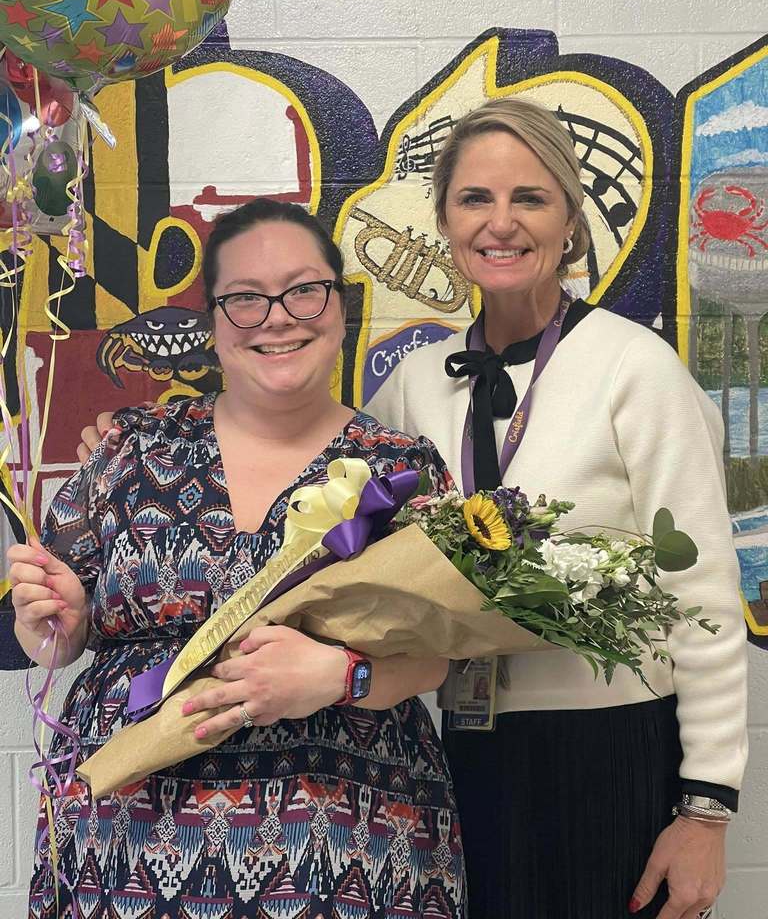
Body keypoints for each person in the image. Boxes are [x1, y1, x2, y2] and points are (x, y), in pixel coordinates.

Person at [76, 100, 749, 919]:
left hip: (604, 751)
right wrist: (122, 445)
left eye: (529, 199)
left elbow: (703, 596)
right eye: (476, 200)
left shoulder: (634, 370)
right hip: (460, 756)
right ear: (444, 219)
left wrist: (705, 808)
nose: (501, 224)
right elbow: (326, 505)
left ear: (570, 219)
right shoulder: (415, 385)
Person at [10, 198, 466, 919]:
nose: (278, 317)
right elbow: (60, 638)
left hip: (347, 845)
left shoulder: (401, 470)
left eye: (303, 291)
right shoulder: (132, 446)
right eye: (246, 299)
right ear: (215, 323)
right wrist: (54, 624)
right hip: (125, 845)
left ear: (340, 307)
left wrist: (341, 674)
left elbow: (449, 655)